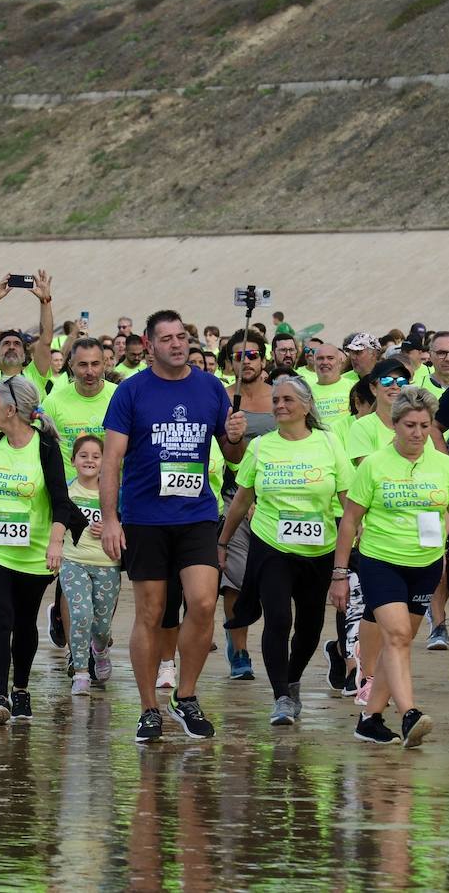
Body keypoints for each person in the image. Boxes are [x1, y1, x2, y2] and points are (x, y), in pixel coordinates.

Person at [101, 309, 247, 743]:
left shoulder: (211, 388)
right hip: (145, 518)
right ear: (149, 346)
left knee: (203, 603)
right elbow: (111, 461)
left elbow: (234, 456)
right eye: (166, 339)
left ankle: (185, 696)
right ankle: (149, 708)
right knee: (150, 612)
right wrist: (111, 519)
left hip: (197, 514)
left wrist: (236, 436)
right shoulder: (130, 392)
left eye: (182, 336)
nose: (177, 344)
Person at [331, 387, 449, 748]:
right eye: (409, 425)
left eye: (423, 425)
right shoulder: (374, 464)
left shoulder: (444, 464)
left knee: (399, 641)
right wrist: (340, 573)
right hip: (380, 562)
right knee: (398, 635)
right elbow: (349, 521)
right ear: (395, 425)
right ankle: (409, 713)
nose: (417, 433)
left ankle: (370, 719)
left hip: (426, 566)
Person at [219, 375, 351, 726]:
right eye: (276, 400)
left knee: (310, 625)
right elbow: (242, 498)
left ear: (307, 406)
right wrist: (222, 541)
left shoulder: (329, 442)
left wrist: (354, 547)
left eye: (288, 400)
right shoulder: (262, 446)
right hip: (271, 544)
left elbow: (347, 502)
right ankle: (280, 696)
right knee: (278, 618)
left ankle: (292, 681)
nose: (279, 406)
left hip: (318, 548)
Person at [0, 376, 85, 724]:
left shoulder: (44, 448)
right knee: (0, 616)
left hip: (35, 551)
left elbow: (61, 502)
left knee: (25, 621)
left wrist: (56, 543)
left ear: (11, 409)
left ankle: (21, 690)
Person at [42, 337, 117, 647]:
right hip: (67, 499)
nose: (89, 371)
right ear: (70, 365)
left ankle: (97, 638)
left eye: (95, 364)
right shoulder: (55, 402)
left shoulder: (118, 397)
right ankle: (77, 654)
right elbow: (42, 449)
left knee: (106, 572)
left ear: (105, 364)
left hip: (110, 495)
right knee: (69, 572)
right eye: (82, 364)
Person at [218, 329, 274, 681]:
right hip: (234, 496)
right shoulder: (222, 399)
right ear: (228, 363)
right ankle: (239, 651)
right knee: (235, 579)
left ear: (263, 360)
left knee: (273, 583)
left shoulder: (281, 397)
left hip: (282, 501)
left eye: (252, 355)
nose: (246, 362)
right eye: (238, 356)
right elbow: (222, 452)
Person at [59, 436, 121, 695]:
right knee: (81, 614)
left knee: (102, 624)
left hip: (107, 563)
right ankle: (81, 673)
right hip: (74, 562)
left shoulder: (114, 493)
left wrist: (111, 524)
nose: (89, 460)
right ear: (73, 461)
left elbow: (126, 524)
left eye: (96, 456)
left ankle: (101, 649)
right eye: (83, 455)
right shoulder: (65, 493)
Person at [0, 272, 55, 393]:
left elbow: (46, 341)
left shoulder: (35, 374)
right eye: (6, 343)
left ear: (24, 354)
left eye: (17, 344)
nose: (11, 347)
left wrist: (45, 301)